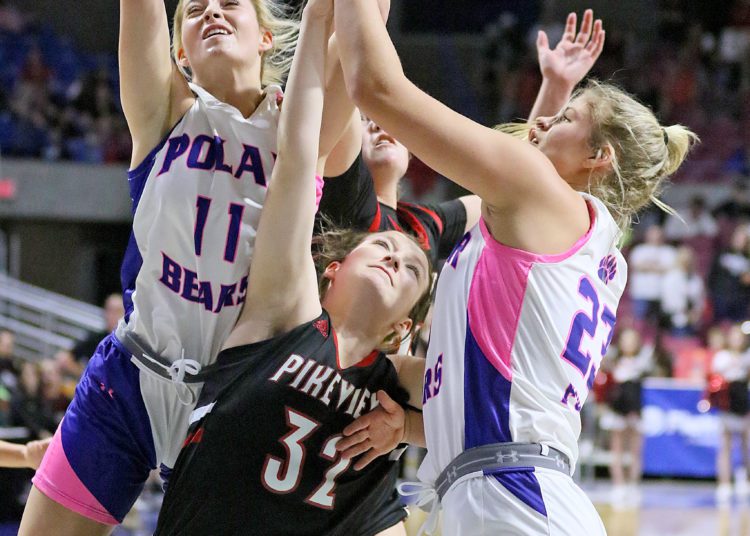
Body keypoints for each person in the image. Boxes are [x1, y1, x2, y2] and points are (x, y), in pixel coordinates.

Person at [331, 3, 696, 534]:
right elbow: (504, 399)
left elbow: (377, 89)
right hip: (511, 490)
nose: (546, 120)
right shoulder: (592, 247)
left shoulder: (543, 206)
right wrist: (410, 424)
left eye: (567, 117)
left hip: (513, 499)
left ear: (600, 157)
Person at [21, 0, 357, 532]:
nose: (213, 14)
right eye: (195, 10)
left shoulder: (299, 127)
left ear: (267, 37)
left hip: (237, 397)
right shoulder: (168, 111)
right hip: (132, 377)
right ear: (180, 52)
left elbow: (359, 31)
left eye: (230, 5)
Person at [155, 2, 430, 533]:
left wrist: (408, 429)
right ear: (333, 269)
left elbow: (495, 418)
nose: (396, 254)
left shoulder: (398, 380)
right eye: (383, 248)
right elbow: (300, 158)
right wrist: (318, 24)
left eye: (412, 268)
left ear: (404, 328)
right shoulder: (285, 311)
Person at [599, 328, 652, 508]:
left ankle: (633, 485)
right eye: (625, 340)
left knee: (635, 450)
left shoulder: (642, 363)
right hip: (617, 410)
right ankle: (618, 486)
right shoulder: (613, 362)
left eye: (633, 340)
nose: (629, 344)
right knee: (617, 449)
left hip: (635, 410)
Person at [712, 324, 750, 505]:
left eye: (740, 337)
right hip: (727, 400)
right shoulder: (722, 357)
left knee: (745, 443)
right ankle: (725, 484)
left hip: (744, 399)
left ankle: (745, 478)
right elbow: (715, 378)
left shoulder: (748, 356)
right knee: (725, 444)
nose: (737, 340)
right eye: (733, 337)